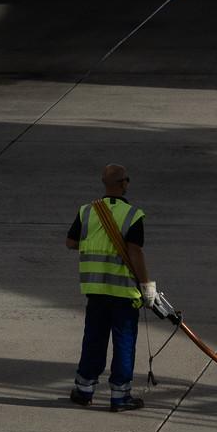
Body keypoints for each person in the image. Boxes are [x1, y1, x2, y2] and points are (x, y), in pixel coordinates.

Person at [65, 163, 159, 411]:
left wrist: (95, 244)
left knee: (93, 339)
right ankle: (120, 396)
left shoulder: (87, 211)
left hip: (96, 290)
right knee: (124, 342)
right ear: (124, 183)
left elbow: (71, 242)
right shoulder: (133, 215)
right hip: (124, 292)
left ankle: (84, 390)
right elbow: (135, 252)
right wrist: (147, 286)